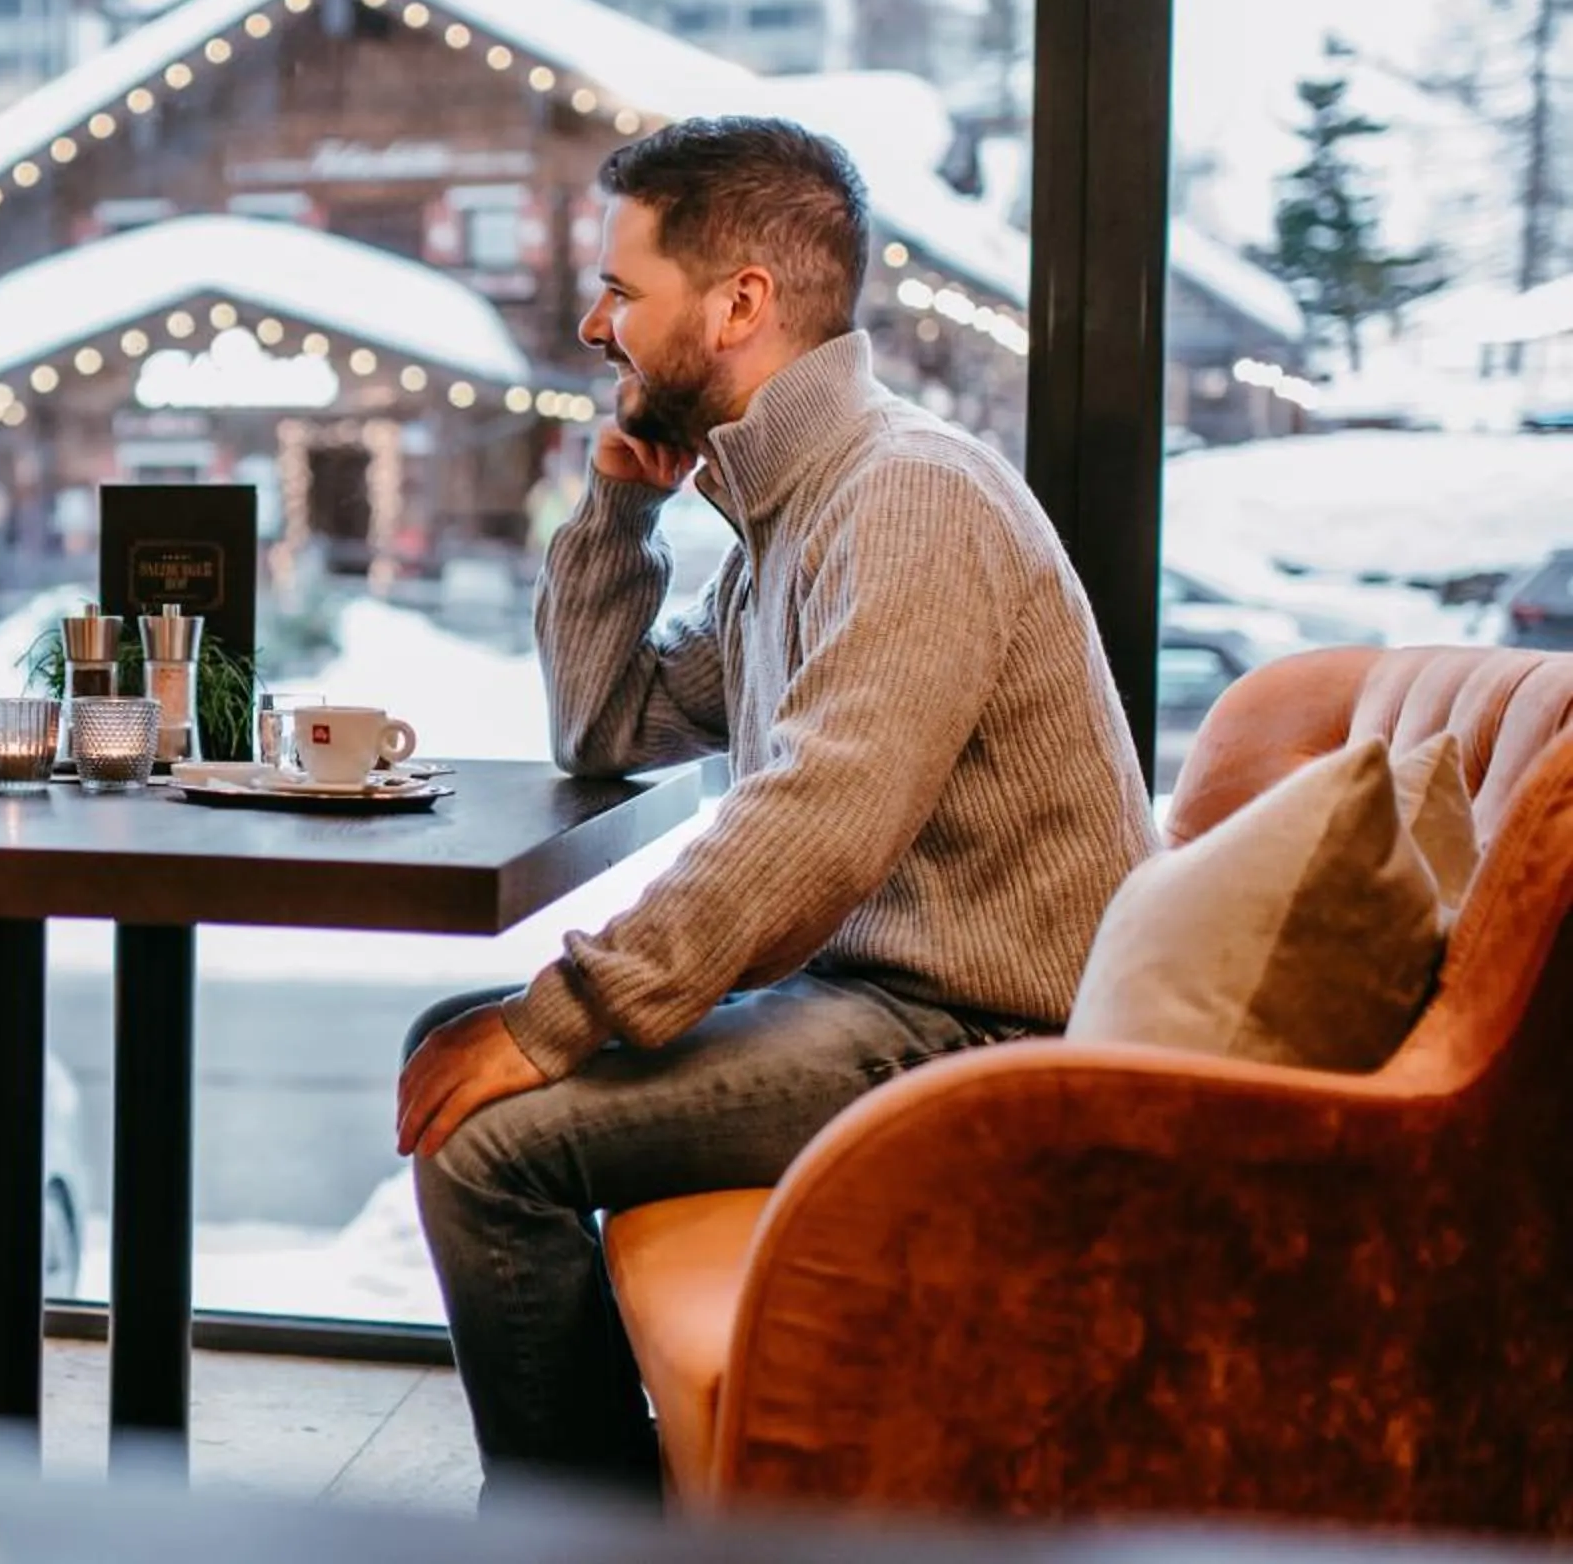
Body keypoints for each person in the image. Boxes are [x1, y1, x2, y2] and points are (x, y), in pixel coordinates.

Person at [396, 118, 1154, 1497]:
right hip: (885, 1012)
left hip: (977, 1042)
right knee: (451, 1042)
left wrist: (559, 1015)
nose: (593, 324)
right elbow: (605, 725)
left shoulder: (906, 494)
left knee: (489, 1138)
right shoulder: (793, 516)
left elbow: (819, 821)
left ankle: (582, 1536)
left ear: (740, 302)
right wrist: (618, 517)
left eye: (624, 290)